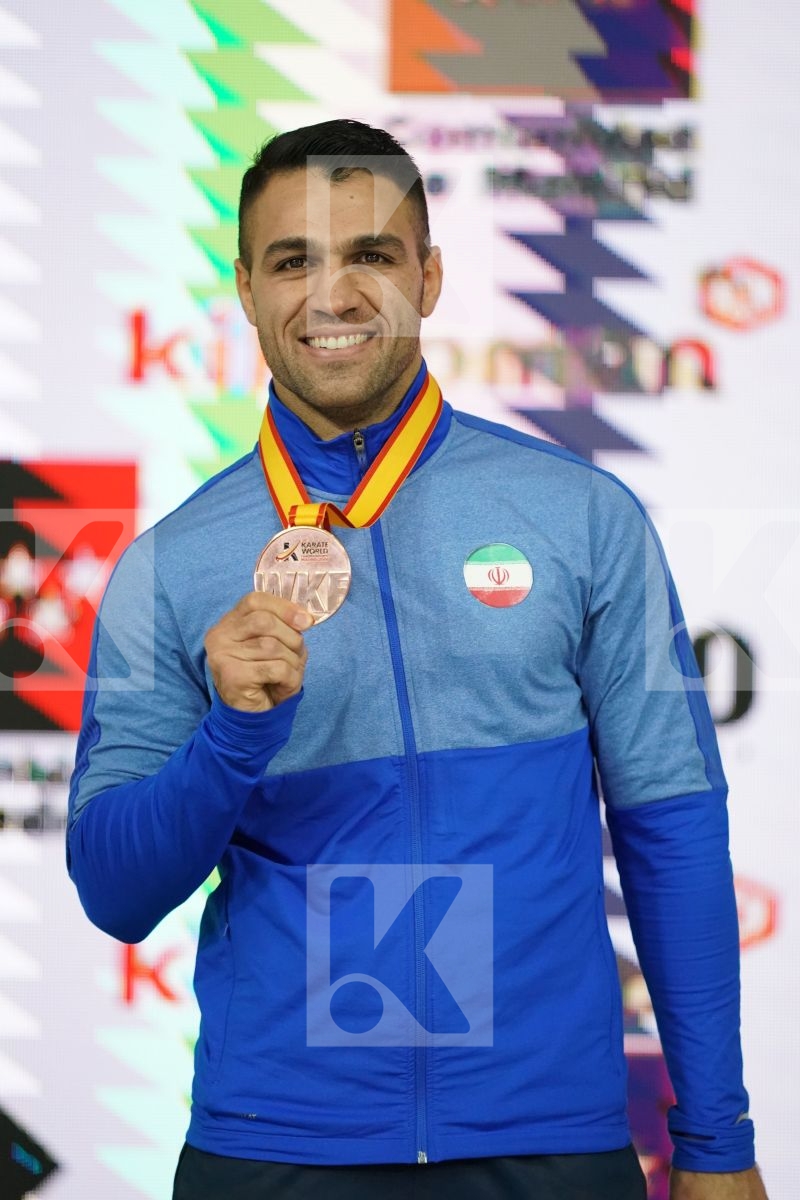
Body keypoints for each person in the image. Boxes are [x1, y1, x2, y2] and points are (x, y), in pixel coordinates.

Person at [67, 119, 768, 1200]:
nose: (333, 294)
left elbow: (669, 832)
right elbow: (115, 891)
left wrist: (716, 1139)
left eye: (371, 255)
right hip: (274, 1149)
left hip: (550, 1143)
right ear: (245, 290)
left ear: (428, 277)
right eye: (292, 261)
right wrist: (232, 737)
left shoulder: (582, 517)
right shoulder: (170, 566)